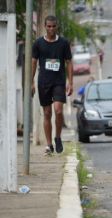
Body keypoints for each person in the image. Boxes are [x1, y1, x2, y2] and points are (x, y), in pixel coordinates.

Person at [32, 15, 73, 155]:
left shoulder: (63, 43)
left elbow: (69, 62)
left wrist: (70, 83)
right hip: (43, 82)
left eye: (53, 26)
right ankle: (49, 145)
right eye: (48, 26)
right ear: (45, 26)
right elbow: (33, 62)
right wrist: (31, 81)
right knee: (47, 113)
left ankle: (58, 137)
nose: (51, 29)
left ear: (57, 27)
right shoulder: (38, 43)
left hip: (59, 82)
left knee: (58, 110)